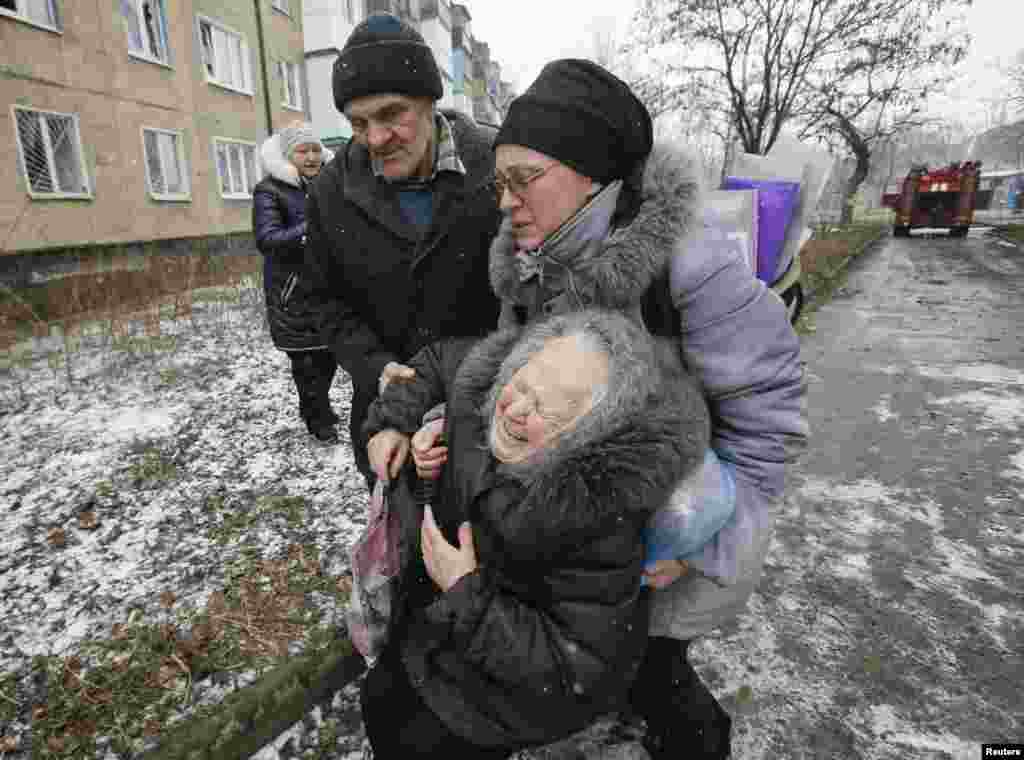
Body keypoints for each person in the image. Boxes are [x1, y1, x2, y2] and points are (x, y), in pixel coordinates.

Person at [408, 60, 809, 759]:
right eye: (499, 182)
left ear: (595, 176)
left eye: (523, 179)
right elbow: (517, 370)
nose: (505, 201)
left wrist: (707, 541)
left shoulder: (689, 264)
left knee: (658, 668)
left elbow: (767, 415)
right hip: (586, 535)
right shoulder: (531, 267)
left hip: (663, 528)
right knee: (604, 650)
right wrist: (461, 425)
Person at [360, 309, 711, 759]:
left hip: (491, 697)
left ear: (590, 435)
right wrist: (394, 421)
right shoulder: (492, 380)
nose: (516, 409)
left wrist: (468, 593)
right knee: (381, 702)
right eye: (521, 385)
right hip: (430, 630)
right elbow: (435, 361)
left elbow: (574, 667)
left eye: (549, 408)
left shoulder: (602, 522)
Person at [303, 13, 502, 487]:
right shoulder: (330, 192)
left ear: (431, 101)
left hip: (491, 415)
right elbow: (321, 299)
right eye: (358, 123)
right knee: (402, 551)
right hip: (385, 424)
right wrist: (374, 365)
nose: (375, 139)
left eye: (393, 114)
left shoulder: (497, 167)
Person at [253, 122, 339, 443]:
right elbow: (267, 238)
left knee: (330, 357)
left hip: (328, 288)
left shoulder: (329, 185)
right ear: (289, 155)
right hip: (292, 291)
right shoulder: (270, 190)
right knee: (306, 364)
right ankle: (316, 418)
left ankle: (320, 405)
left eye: (316, 149)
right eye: (303, 150)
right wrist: (311, 229)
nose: (312, 156)